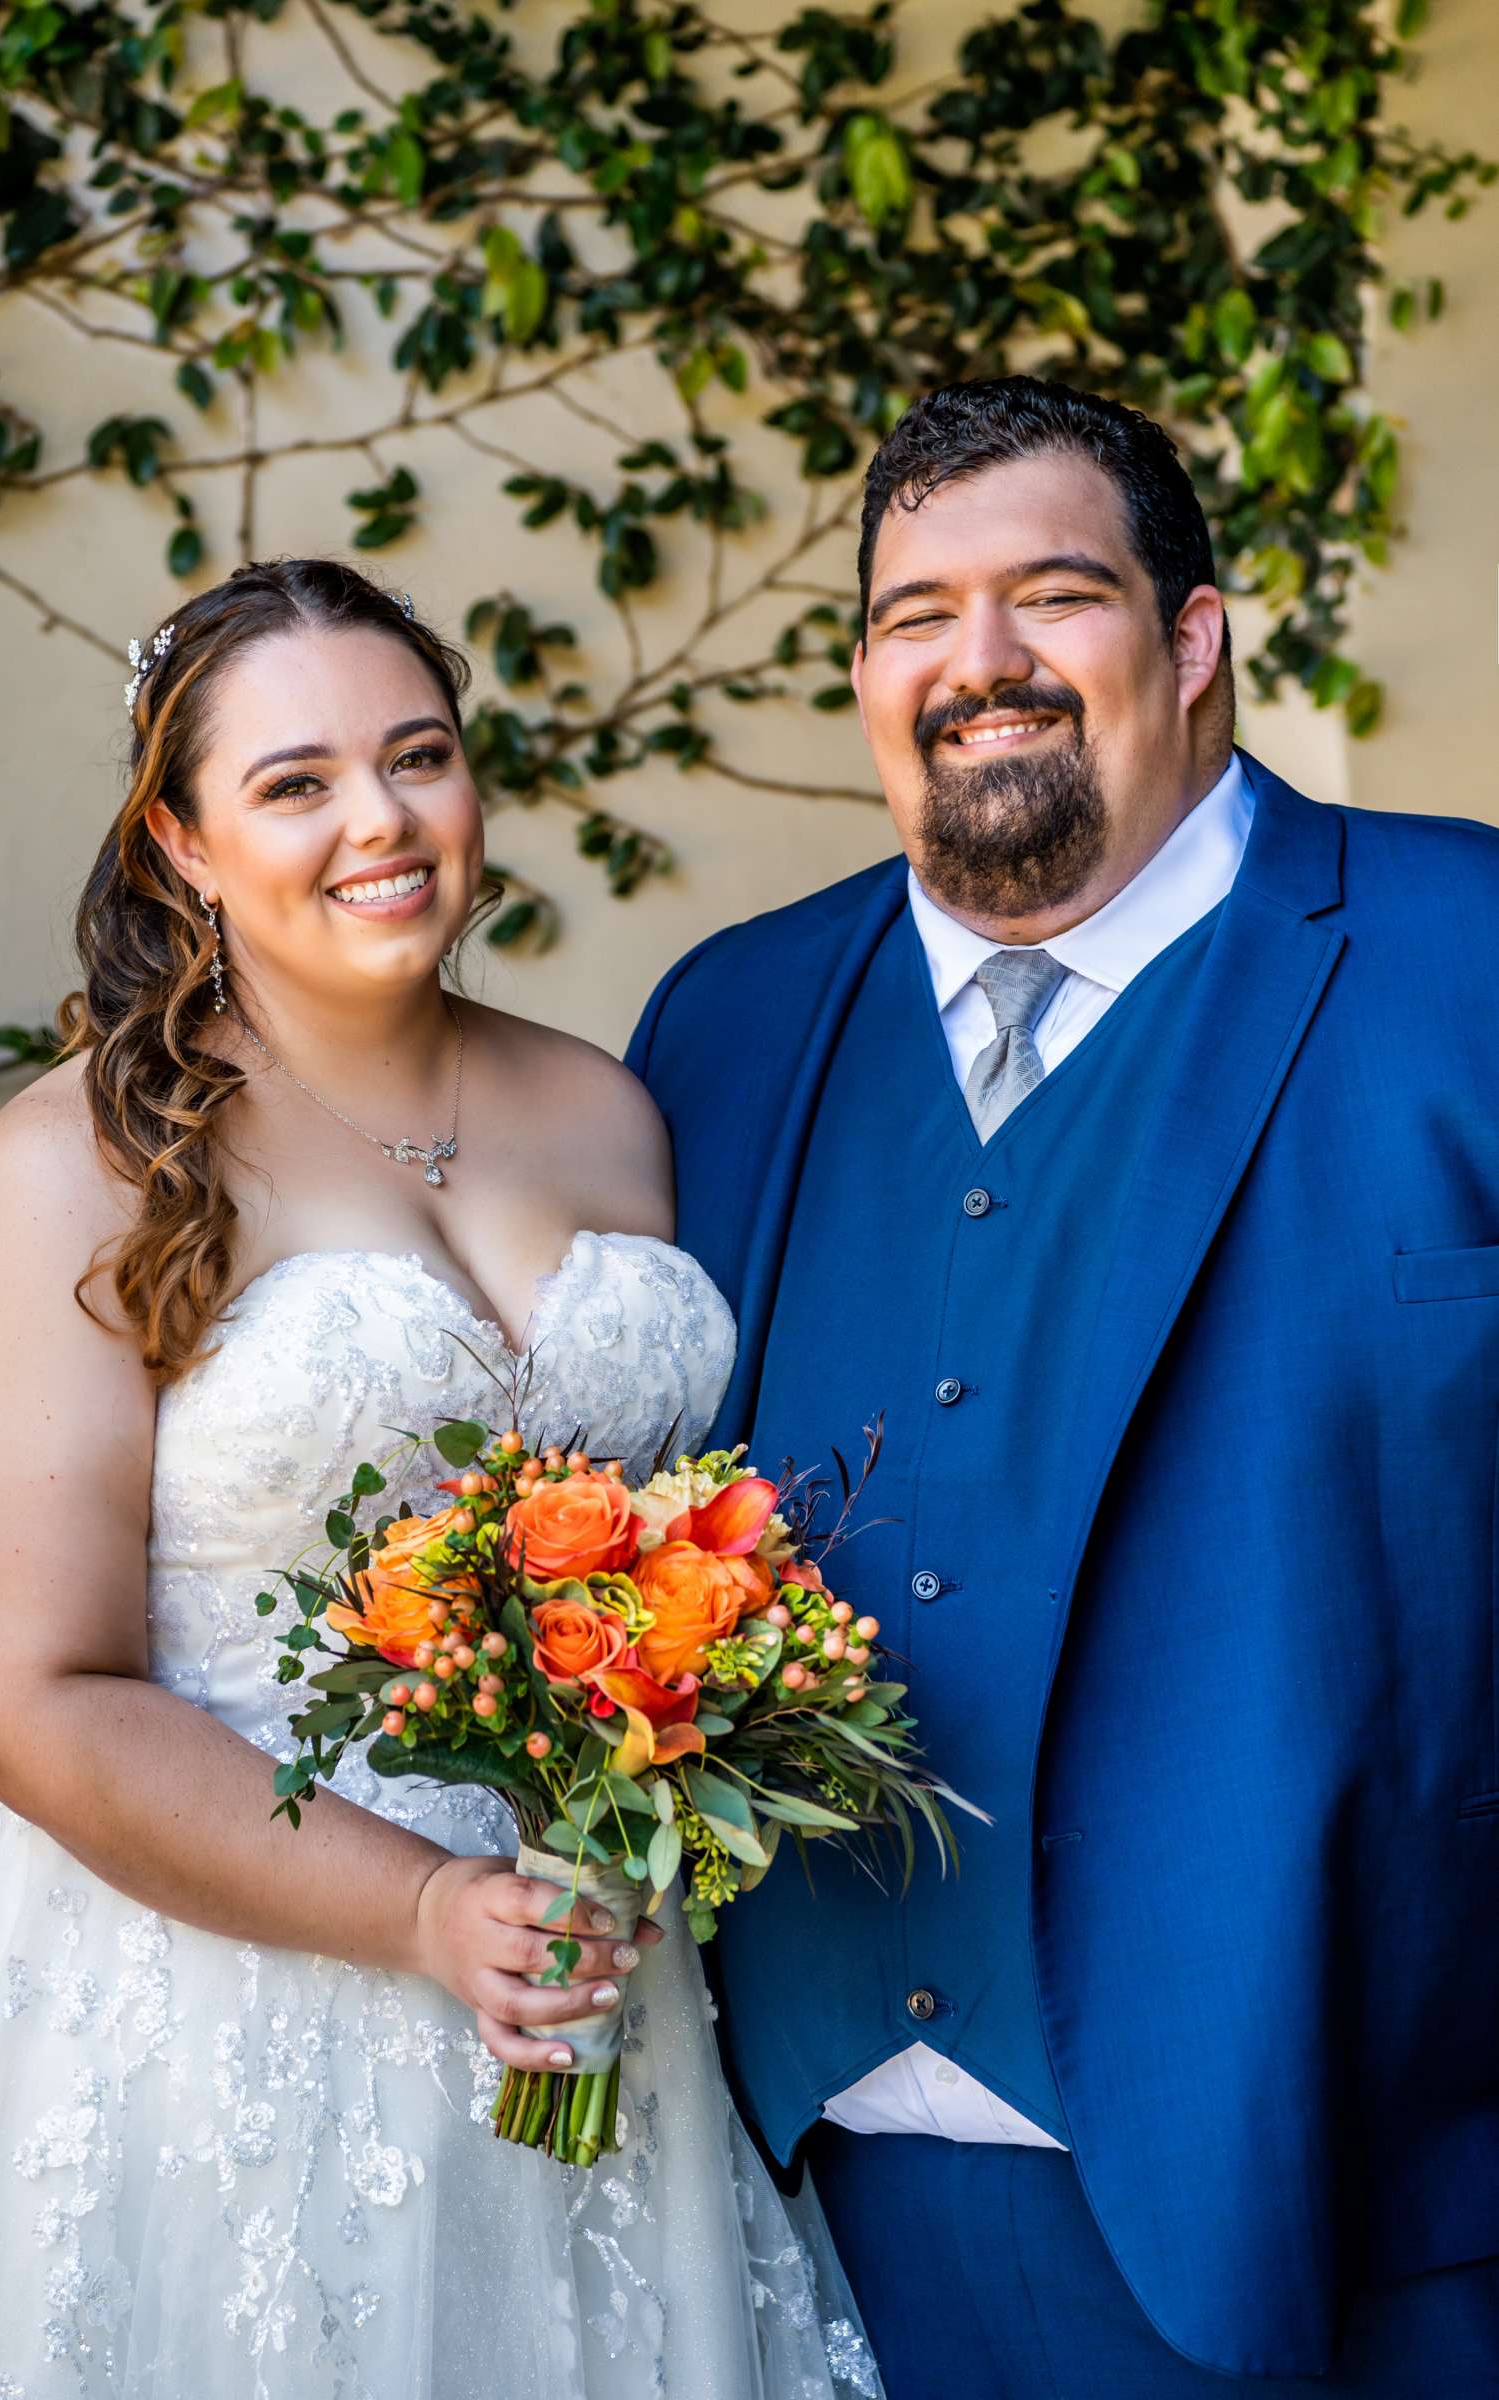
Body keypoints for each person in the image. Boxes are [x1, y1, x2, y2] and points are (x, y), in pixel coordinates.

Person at [0, 558, 878, 2398]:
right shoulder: (81, 1166)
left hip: (588, 1973)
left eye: (418, 756)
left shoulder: (608, 1109)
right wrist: (420, 1912)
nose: (382, 820)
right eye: (295, 784)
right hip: (214, 1995)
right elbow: (19, 1692)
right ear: (180, 846)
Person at [630, 376, 1499, 2395]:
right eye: (915, 614)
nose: (981, 665)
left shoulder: (1469, 951)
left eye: (1054, 597)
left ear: (1194, 642)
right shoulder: (723, 1024)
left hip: (1367, 2193)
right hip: (818, 2198)